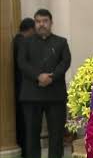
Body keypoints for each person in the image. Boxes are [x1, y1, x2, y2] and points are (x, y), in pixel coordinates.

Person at [17, 9, 71, 158]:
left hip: (55, 95)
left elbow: (65, 62)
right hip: (31, 95)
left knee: (56, 135)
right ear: (35, 23)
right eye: (38, 21)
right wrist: (38, 77)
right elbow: (22, 62)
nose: (42, 24)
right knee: (31, 135)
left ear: (51, 22)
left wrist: (52, 77)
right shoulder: (26, 42)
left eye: (45, 21)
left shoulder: (61, 42)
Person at [13, 17, 35, 158]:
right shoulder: (22, 43)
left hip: (18, 89)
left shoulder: (16, 41)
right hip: (24, 89)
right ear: (31, 30)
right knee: (26, 125)